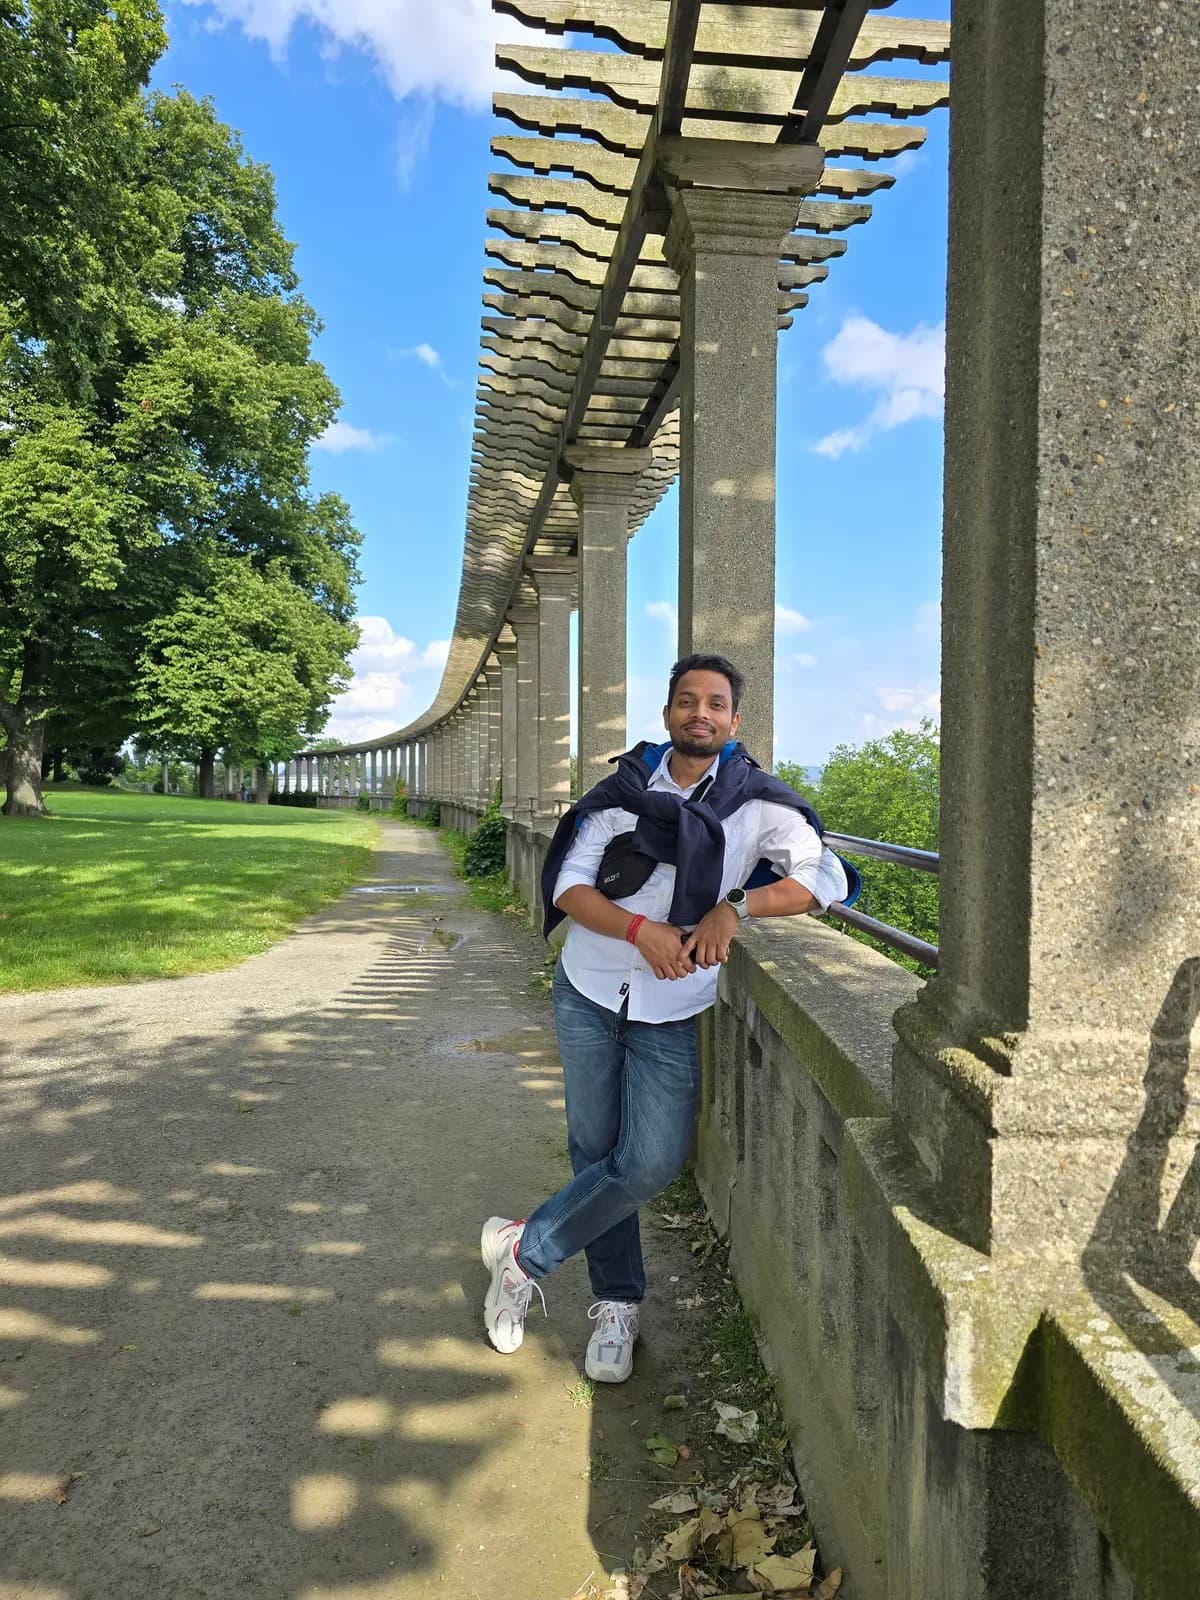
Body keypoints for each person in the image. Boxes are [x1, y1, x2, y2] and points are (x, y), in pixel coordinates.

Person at [480, 653, 854, 1382]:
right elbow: (568, 885)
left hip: (674, 1005)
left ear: (735, 721)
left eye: (716, 703)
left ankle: (523, 1252)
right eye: (688, 701)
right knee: (595, 1150)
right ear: (667, 714)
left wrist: (735, 904)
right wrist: (639, 931)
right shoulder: (622, 791)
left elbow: (821, 879)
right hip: (589, 985)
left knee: (649, 1160)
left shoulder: (757, 804)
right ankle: (618, 1304)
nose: (700, 714)